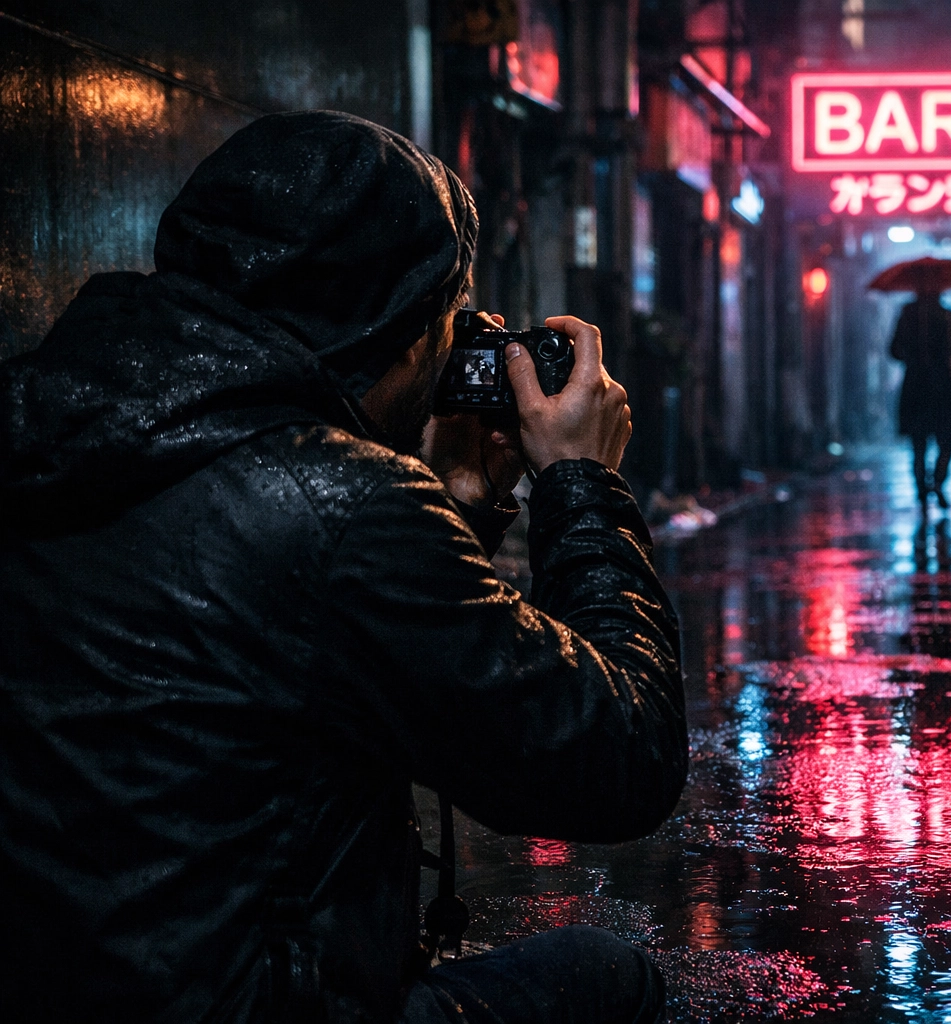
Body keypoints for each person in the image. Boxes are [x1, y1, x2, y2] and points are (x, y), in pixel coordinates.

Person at [0, 111, 685, 1023]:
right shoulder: (342, 501)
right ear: (402, 330)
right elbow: (619, 759)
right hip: (241, 1003)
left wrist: (461, 505)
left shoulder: (52, 415)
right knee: (606, 975)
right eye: (449, 317)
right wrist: (582, 483)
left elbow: (335, 651)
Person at [889, 288, 951, 507]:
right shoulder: (949, 316)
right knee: (946, 442)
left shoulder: (906, 317)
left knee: (918, 444)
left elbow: (894, 351)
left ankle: (922, 489)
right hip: (943, 387)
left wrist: (913, 353)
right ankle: (937, 482)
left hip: (915, 387)